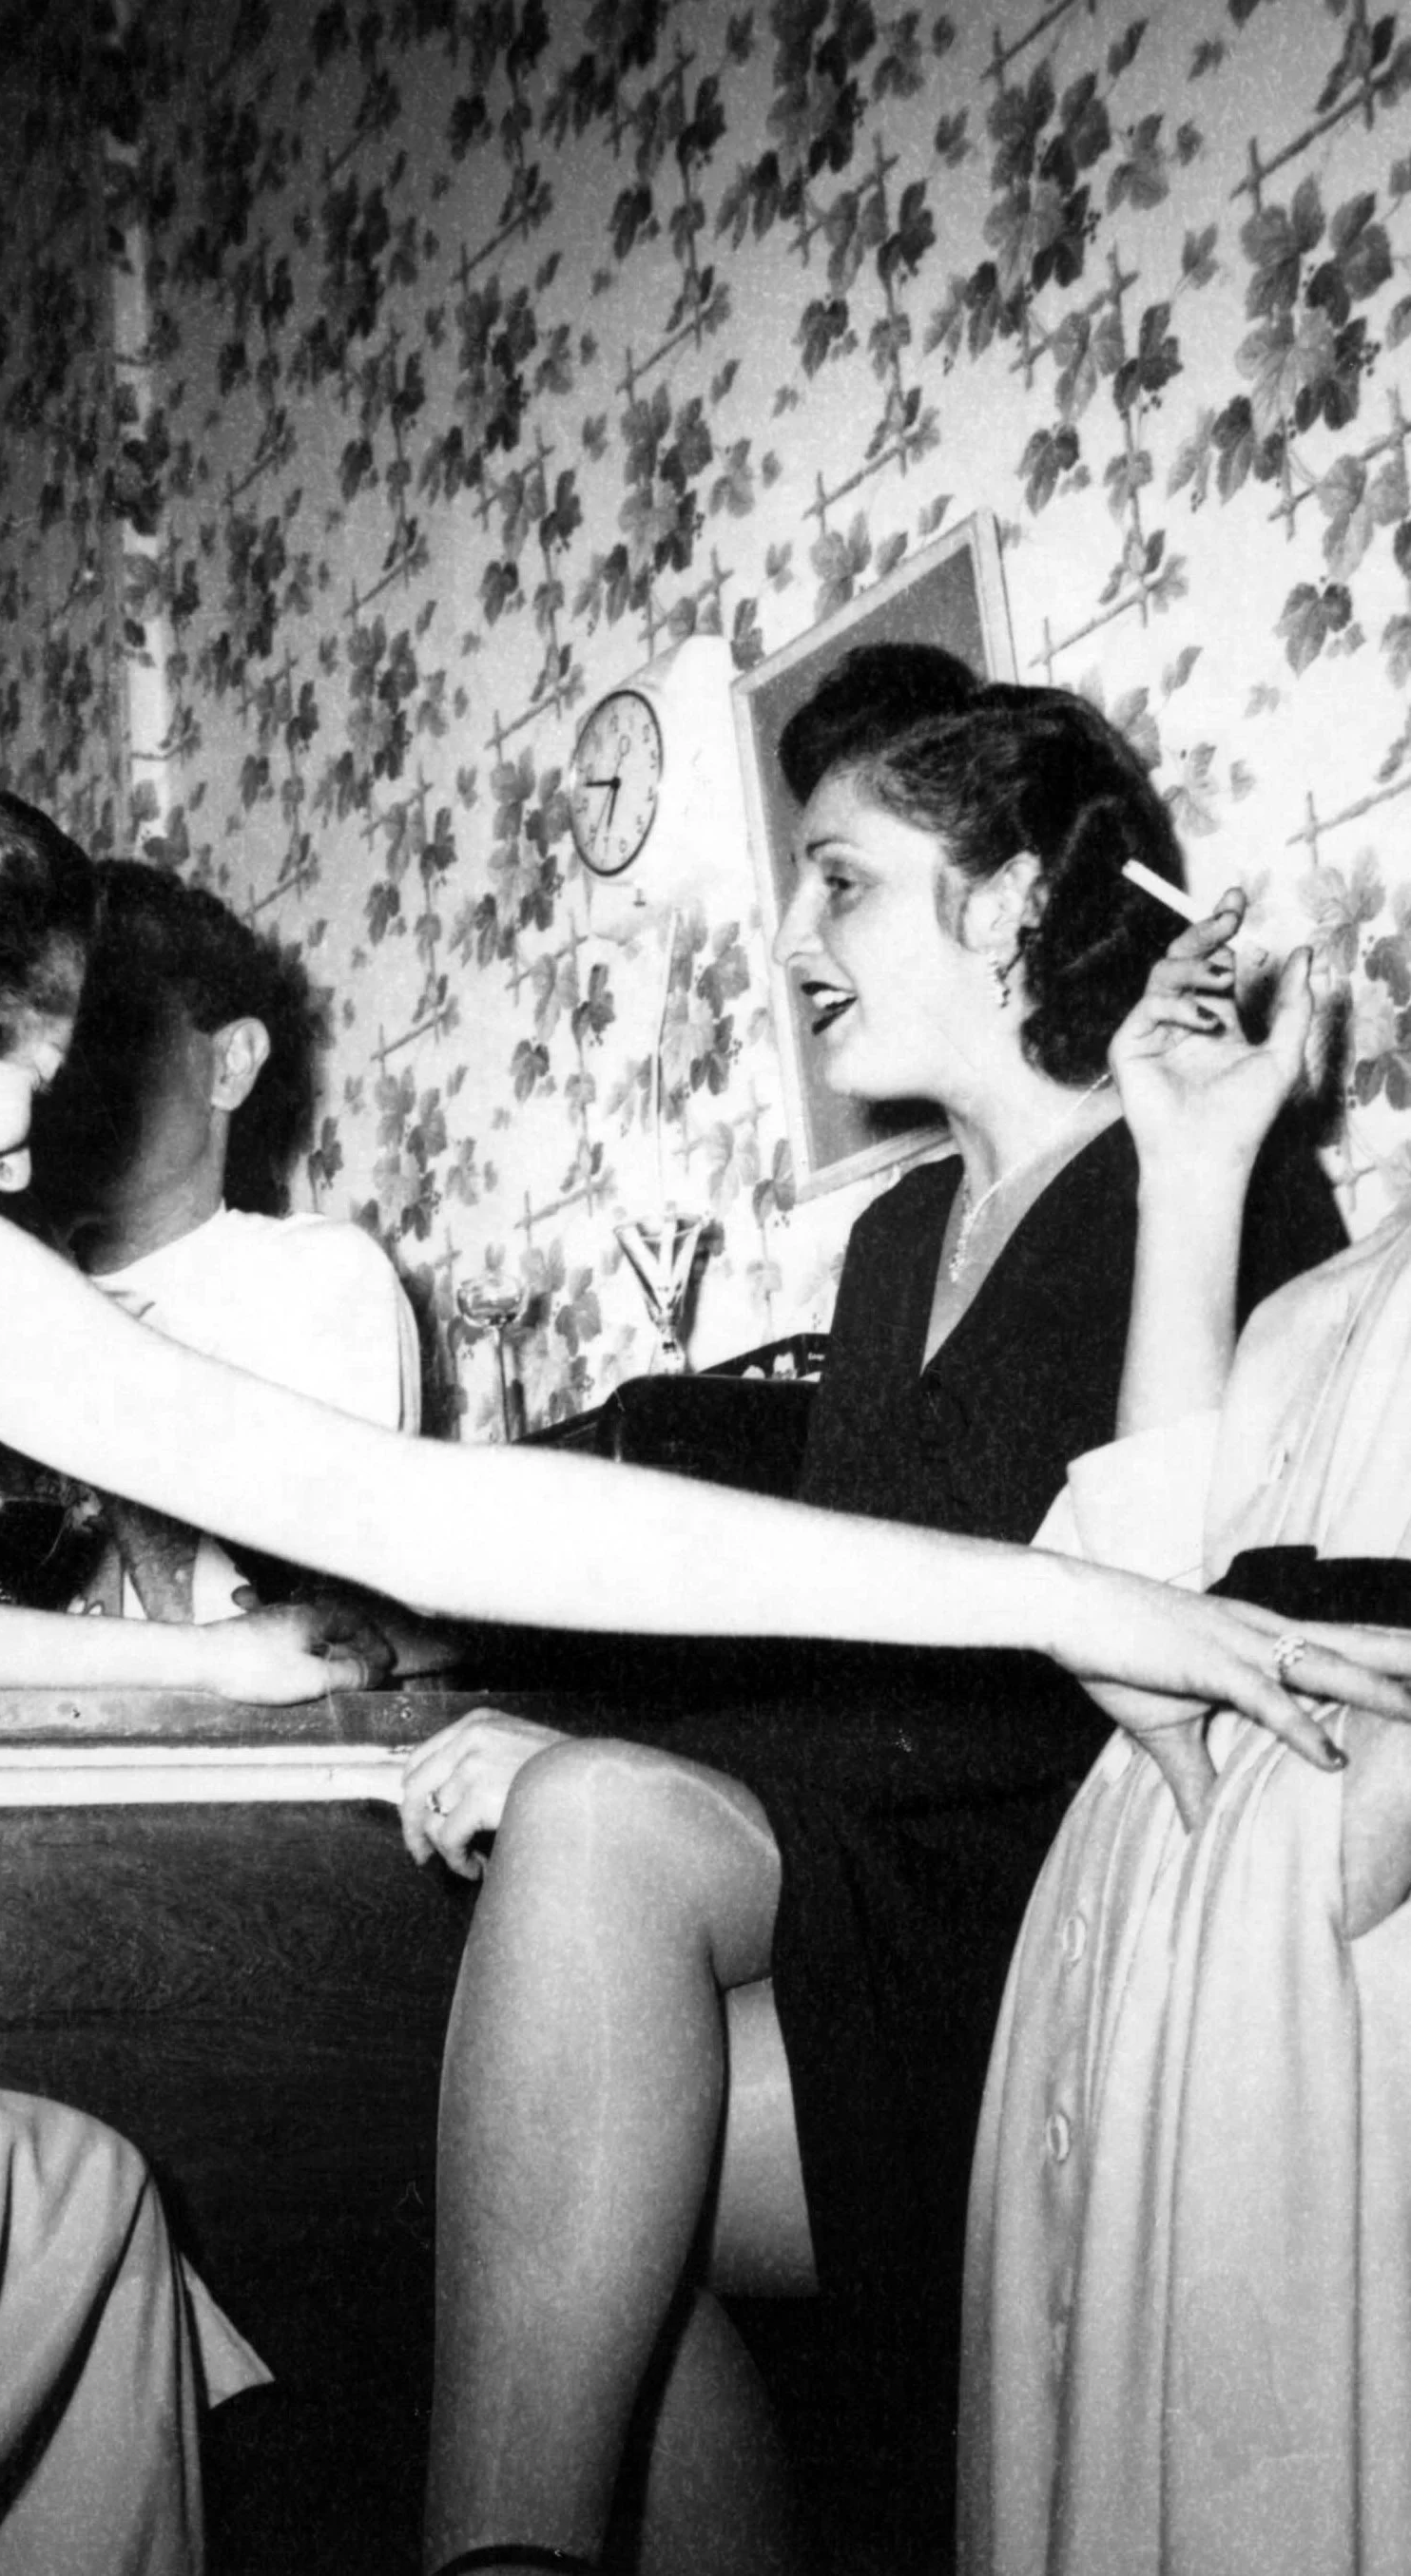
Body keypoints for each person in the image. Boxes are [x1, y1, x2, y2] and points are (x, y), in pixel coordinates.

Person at [0, 721, 1397, 2576]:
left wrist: (206, 1669)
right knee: (110, 2243)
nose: (39, 1140)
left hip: (980, 1887)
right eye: (37, 1065)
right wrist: (1070, 1597)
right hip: (878, 1868)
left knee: (89, 2211)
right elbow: (417, 1515)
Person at [393, 657, 1355, 2576]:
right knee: (566, 2191)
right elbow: (849, 1641)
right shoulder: (898, 1233)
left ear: (1008, 902)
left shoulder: (1213, 1179)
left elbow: (1164, 1638)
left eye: (841, 881)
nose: (791, 937)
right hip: (883, 1873)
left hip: (1067, 1890)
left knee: (589, 1894)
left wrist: (603, 1750)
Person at [962, 900, 1411, 2576]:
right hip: (1147, 1970)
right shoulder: (1322, 1305)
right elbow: (1148, 1612)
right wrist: (1192, 1166)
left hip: (1323, 2003)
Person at [28, 856, 421, 1624]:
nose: (59, 1067)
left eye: (104, 1026)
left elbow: (305, 1608)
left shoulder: (314, 1279)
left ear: (231, 1064)